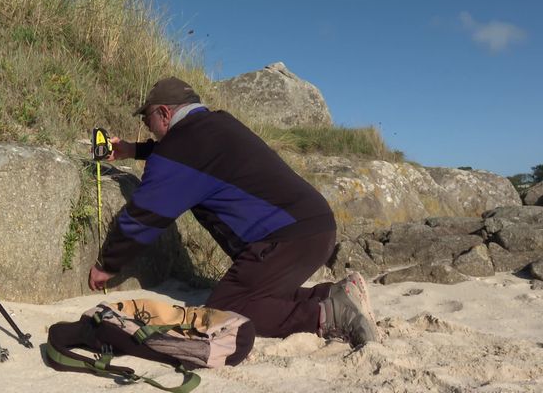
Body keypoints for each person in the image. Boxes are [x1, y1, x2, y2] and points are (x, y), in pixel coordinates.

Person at [88, 77, 379, 347]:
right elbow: (187, 155)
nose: (145, 124)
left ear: (163, 113)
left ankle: (330, 315)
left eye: (146, 117)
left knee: (227, 308)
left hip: (287, 238)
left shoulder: (183, 148)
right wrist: (133, 150)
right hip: (314, 227)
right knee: (260, 293)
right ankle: (333, 294)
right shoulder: (217, 126)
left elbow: (144, 216)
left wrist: (107, 265)